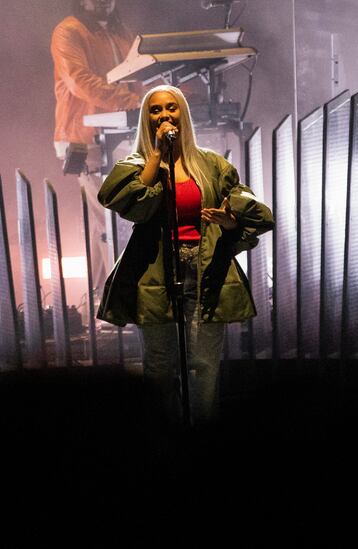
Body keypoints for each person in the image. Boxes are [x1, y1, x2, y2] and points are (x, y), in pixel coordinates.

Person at [97, 85, 274, 425]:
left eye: (171, 108)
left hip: (206, 270)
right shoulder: (135, 165)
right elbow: (130, 203)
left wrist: (229, 219)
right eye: (155, 110)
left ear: (183, 114)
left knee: (204, 365)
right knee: (160, 366)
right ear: (146, 120)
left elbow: (252, 212)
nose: (164, 115)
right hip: (155, 273)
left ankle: (202, 441)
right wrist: (156, 156)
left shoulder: (210, 164)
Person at [50, 0, 140, 287]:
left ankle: (97, 304)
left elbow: (140, 78)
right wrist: (133, 102)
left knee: (102, 221)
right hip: (83, 139)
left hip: (119, 137)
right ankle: (119, 301)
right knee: (110, 219)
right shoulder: (68, 32)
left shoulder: (123, 33)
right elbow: (80, 81)